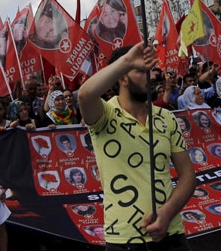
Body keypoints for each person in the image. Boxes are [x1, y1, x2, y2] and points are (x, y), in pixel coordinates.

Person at [77, 44, 194, 249]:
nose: (152, 77)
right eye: (141, 71)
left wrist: (167, 213)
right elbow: (84, 95)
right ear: (122, 78)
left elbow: (188, 176)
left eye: (152, 71)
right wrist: (127, 61)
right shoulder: (105, 114)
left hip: (172, 235)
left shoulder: (167, 117)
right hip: (123, 240)